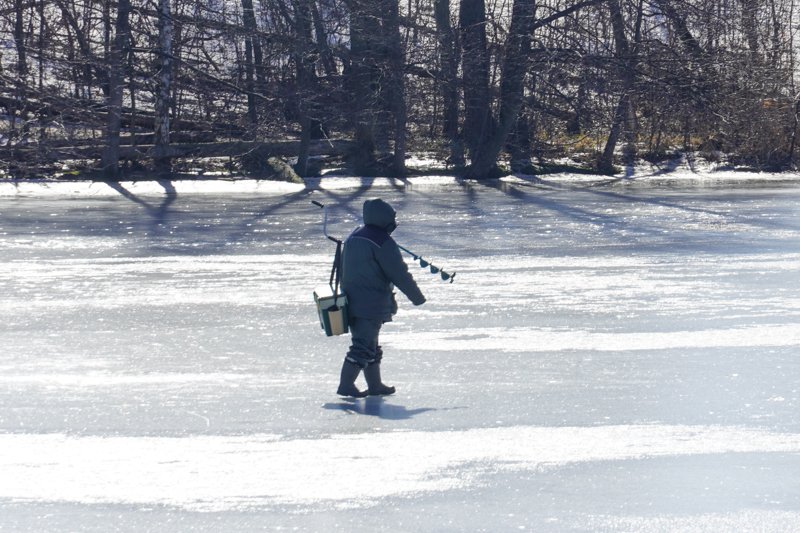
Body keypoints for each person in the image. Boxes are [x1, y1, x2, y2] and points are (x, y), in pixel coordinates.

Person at [337, 198, 426, 397]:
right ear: (383, 219)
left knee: (371, 345)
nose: (394, 223)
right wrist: (417, 297)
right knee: (363, 346)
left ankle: (375, 386)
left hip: (352, 299)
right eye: (392, 218)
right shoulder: (382, 241)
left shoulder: (356, 236)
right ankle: (346, 385)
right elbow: (399, 273)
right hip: (370, 302)